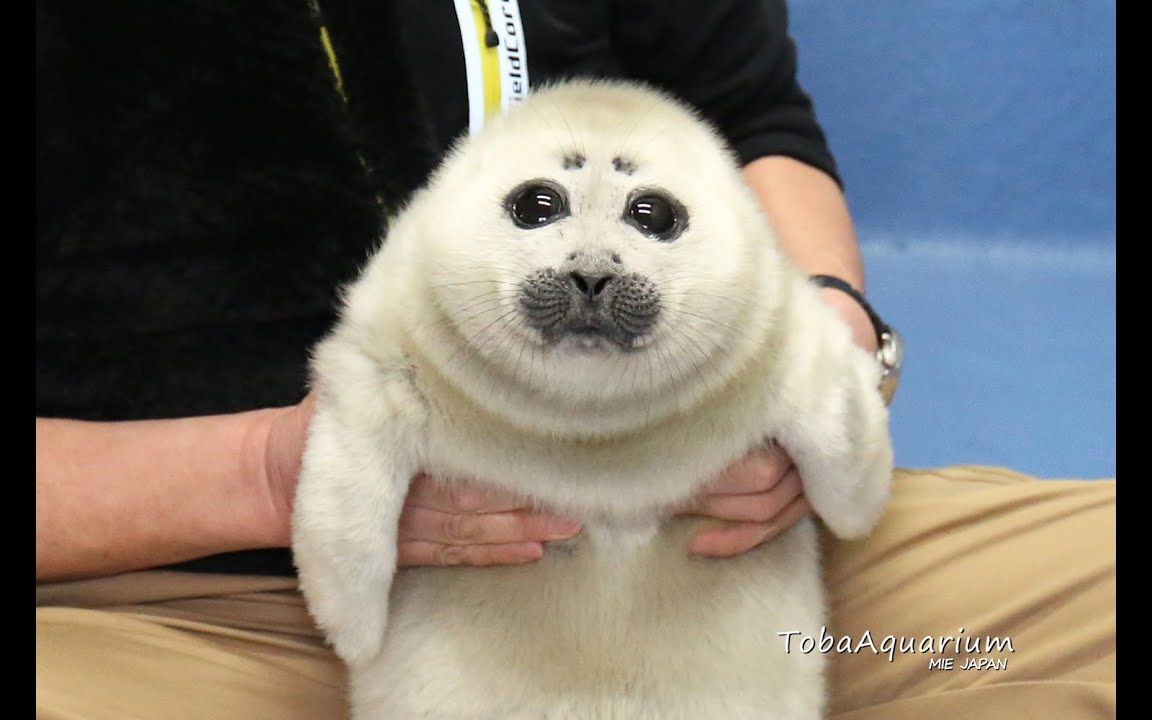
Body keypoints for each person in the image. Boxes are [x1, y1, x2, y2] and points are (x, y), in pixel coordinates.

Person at [35, 2, 1115, 718]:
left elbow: (750, 120)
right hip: (188, 609)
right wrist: (277, 473)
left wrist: (820, 346)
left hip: (707, 568)